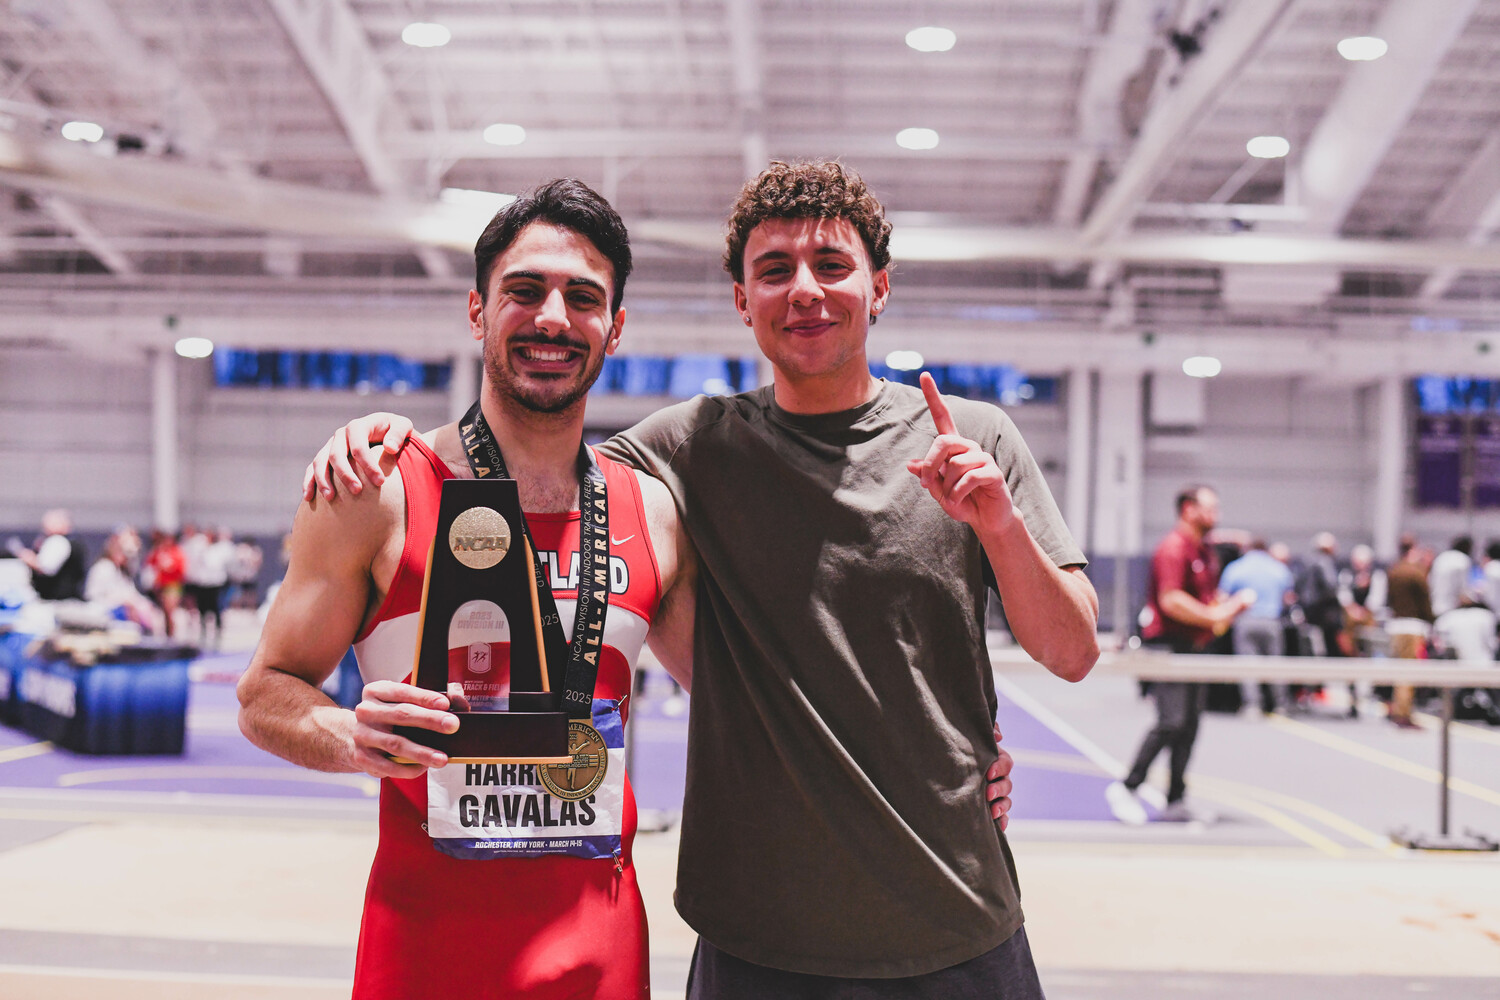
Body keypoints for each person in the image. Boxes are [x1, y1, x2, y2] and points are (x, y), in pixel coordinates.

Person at [309, 161, 1090, 997]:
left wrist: (1000, 527)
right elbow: (534, 450)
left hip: (957, 919)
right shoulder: (689, 448)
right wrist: (386, 439)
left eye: (832, 267)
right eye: (774, 271)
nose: (805, 292)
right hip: (757, 940)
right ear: (741, 299)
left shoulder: (973, 438)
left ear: (880, 286)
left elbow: (1071, 650)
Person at [1107, 486, 1250, 825]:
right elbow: (1172, 601)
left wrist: (1227, 609)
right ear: (1188, 509)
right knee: (1171, 722)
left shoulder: (1203, 552)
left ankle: (1175, 799)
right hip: (1168, 647)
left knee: (1189, 726)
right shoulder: (1173, 548)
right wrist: (1216, 615)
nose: (1216, 515)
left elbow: (1206, 600)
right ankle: (1127, 787)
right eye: (1209, 508)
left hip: (1194, 649)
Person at [1217, 538, 1294, 714]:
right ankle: (1280, 704)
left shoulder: (1236, 567)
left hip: (1245, 621)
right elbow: (1288, 597)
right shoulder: (1278, 568)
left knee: (1247, 664)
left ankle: (1253, 705)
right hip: (1271, 622)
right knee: (1275, 664)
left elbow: (1222, 596)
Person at [1385, 538, 1434, 729]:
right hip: (1412, 627)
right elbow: (1425, 603)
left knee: (1399, 670)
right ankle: (1403, 714)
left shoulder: (1394, 571)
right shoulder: (1416, 573)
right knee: (1408, 673)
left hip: (1395, 625)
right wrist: (1431, 622)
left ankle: (1398, 709)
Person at [83, 526, 155, 629]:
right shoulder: (104, 567)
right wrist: (126, 602)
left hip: (119, 608)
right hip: (103, 609)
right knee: (131, 610)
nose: (124, 557)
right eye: (121, 553)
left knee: (145, 608)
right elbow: (96, 596)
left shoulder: (122, 571)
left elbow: (131, 593)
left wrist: (141, 603)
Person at [9, 508, 86, 601]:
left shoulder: (57, 541)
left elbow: (46, 568)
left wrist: (29, 558)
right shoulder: (72, 541)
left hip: (56, 601)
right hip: (66, 599)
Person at [142, 529, 187, 638]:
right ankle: (167, 634)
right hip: (160, 585)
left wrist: (168, 568)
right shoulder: (159, 551)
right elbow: (149, 563)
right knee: (165, 613)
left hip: (173, 585)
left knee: (170, 610)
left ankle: (172, 634)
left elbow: (181, 570)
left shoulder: (177, 552)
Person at [1429, 535, 1474, 618]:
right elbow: (1463, 590)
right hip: (1451, 609)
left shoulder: (1442, 557)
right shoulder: (1463, 560)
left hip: (1434, 606)